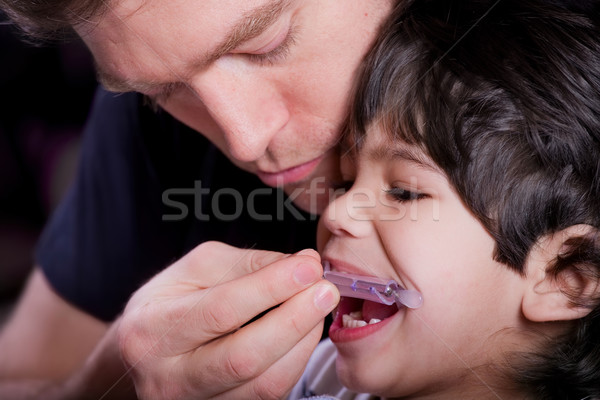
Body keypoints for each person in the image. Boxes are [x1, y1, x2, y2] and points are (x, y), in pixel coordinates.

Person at [0, 0, 399, 399]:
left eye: (266, 45)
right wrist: (107, 382)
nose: (245, 143)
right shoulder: (145, 86)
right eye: (164, 91)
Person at [288, 0, 600, 398]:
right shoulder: (310, 379)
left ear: (566, 277)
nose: (336, 211)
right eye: (345, 183)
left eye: (404, 192)